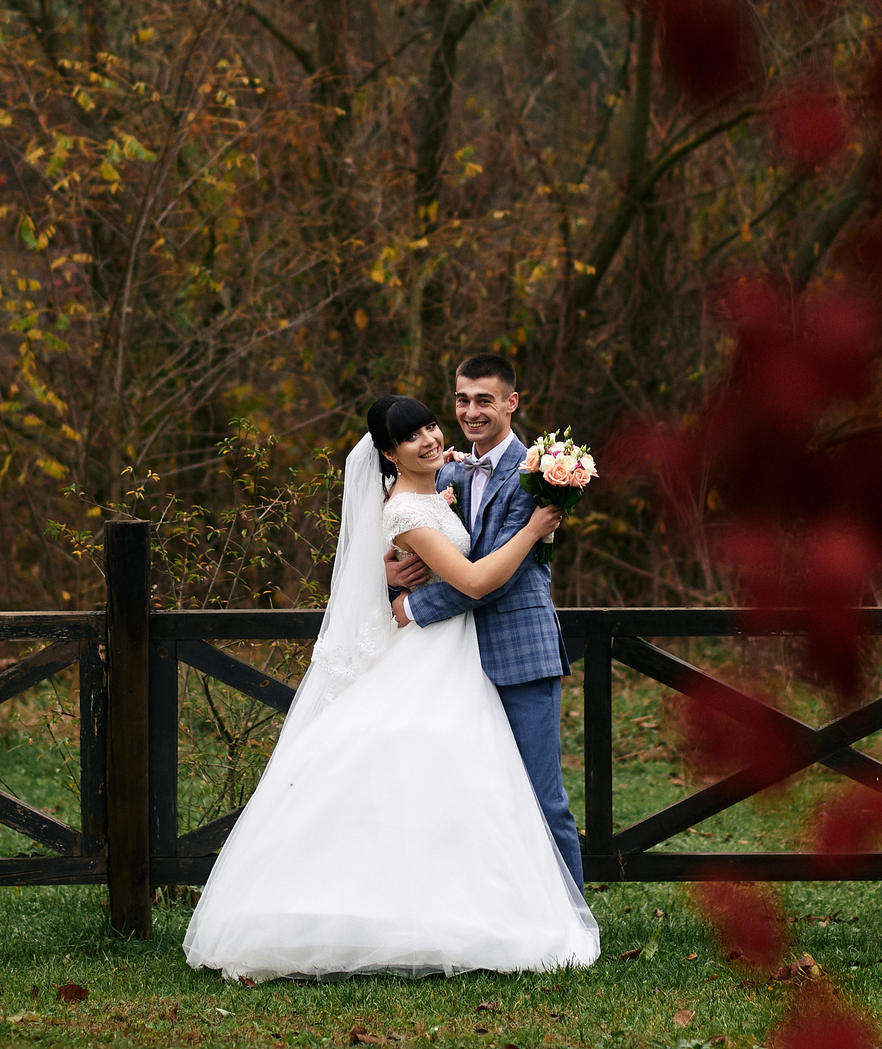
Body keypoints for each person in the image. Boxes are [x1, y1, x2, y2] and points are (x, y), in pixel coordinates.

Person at [181, 396, 600, 982]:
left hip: (457, 650)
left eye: (430, 426)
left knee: (461, 783)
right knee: (421, 771)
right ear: (388, 453)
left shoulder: (441, 481)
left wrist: (395, 561)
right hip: (433, 649)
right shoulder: (404, 508)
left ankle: (461, 909)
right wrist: (533, 530)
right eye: (411, 437)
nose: (430, 439)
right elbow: (474, 579)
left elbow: (436, 513)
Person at [388, 355, 580, 886]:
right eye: (461, 400)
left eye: (484, 400)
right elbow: (414, 542)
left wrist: (413, 608)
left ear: (511, 403)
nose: (470, 411)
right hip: (454, 660)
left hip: (519, 652)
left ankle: (572, 918)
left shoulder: (538, 477)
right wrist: (392, 575)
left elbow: (492, 577)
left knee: (543, 798)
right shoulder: (445, 471)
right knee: (474, 798)